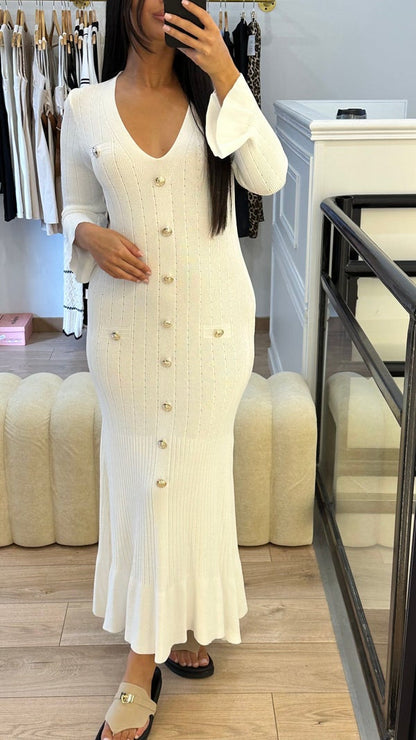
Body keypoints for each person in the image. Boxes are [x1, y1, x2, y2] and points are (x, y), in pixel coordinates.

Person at [60, 0, 287, 737]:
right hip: (124, 331)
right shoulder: (83, 107)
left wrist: (226, 74)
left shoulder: (215, 100)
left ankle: (164, 638)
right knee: (139, 473)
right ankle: (148, 646)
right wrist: (88, 234)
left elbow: (269, 178)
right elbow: (73, 206)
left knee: (193, 472)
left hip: (210, 330)